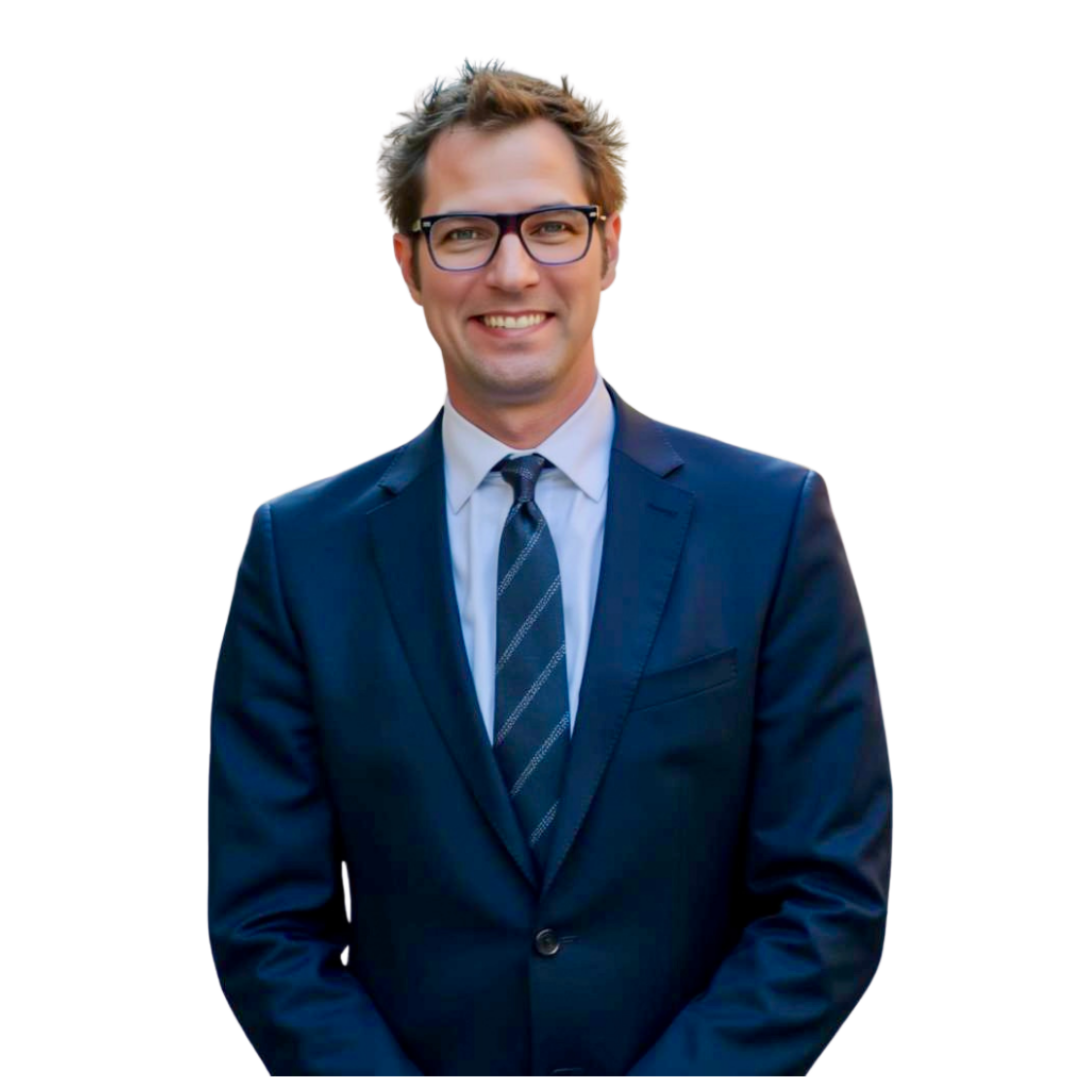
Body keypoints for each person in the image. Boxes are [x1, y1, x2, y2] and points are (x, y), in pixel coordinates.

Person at [208, 60, 892, 1076]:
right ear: (409, 261)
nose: (513, 272)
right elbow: (267, 921)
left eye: (552, 226)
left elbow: (827, 897)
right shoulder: (299, 549)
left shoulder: (770, 524)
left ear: (608, 245)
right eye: (466, 232)